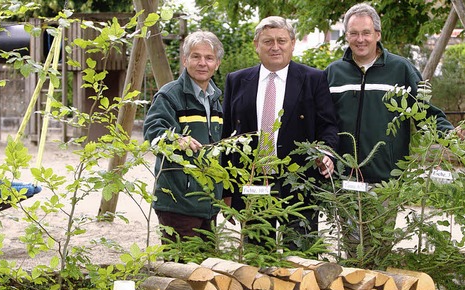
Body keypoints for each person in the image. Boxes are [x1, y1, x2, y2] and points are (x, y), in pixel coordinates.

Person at [221, 16, 339, 249]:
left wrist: (326, 152)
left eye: (281, 40)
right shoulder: (236, 80)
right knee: (256, 264)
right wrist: (228, 190)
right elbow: (227, 137)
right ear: (256, 45)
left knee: (300, 263)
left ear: (293, 43)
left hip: (299, 186)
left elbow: (328, 125)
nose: (275, 47)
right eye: (268, 41)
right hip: (252, 185)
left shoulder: (313, 79)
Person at [325, 3, 458, 184]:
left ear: (377, 35)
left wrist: (449, 134)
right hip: (343, 179)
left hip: (387, 181)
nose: (360, 39)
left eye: (366, 32)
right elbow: (322, 121)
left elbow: (423, 112)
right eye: (353, 33)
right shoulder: (333, 73)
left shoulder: (401, 69)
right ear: (346, 35)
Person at [143, 31, 224, 243]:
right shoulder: (169, 95)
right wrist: (175, 139)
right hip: (178, 202)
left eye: (209, 58)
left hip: (209, 203)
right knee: (181, 271)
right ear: (185, 59)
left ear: (217, 63)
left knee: (206, 271)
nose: (202, 63)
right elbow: (152, 132)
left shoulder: (216, 100)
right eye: (196, 56)